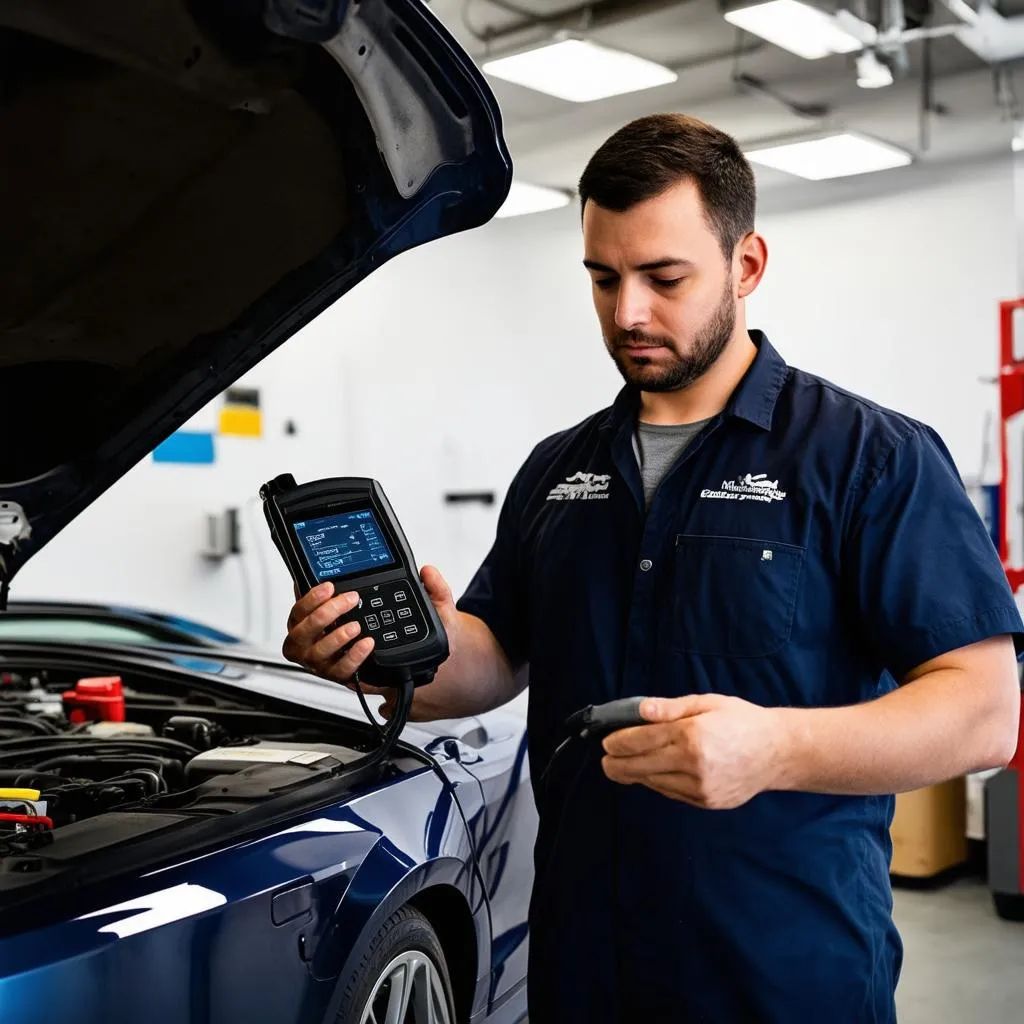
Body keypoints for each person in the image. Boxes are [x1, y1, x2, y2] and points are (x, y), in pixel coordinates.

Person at [282, 113, 1024, 1022]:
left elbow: (984, 712)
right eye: (603, 278)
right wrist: (392, 651)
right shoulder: (559, 468)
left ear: (746, 266)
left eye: (664, 278)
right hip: (585, 961)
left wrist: (776, 749)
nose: (627, 312)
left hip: (781, 975)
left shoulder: (870, 458)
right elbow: (495, 660)